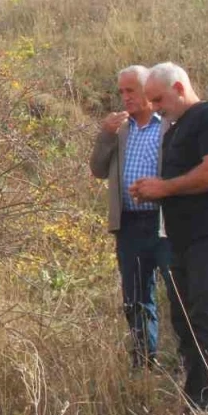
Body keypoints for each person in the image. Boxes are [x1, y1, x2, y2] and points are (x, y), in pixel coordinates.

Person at [131, 63, 208, 415]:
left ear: (179, 87)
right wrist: (154, 188)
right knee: (187, 322)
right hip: (180, 240)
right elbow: (179, 181)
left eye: (159, 99)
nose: (156, 107)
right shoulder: (175, 130)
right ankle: (197, 408)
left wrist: (163, 188)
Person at [89, 65, 172, 369]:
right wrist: (105, 135)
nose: (125, 98)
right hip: (129, 225)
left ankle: (192, 361)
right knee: (135, 298)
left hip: (166, 224)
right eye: (121, 91)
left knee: (178, 292)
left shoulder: (169, 126)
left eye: (131, 91)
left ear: (148, 90)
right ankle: (144, 363)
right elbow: (97, 169)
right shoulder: (119, 130)